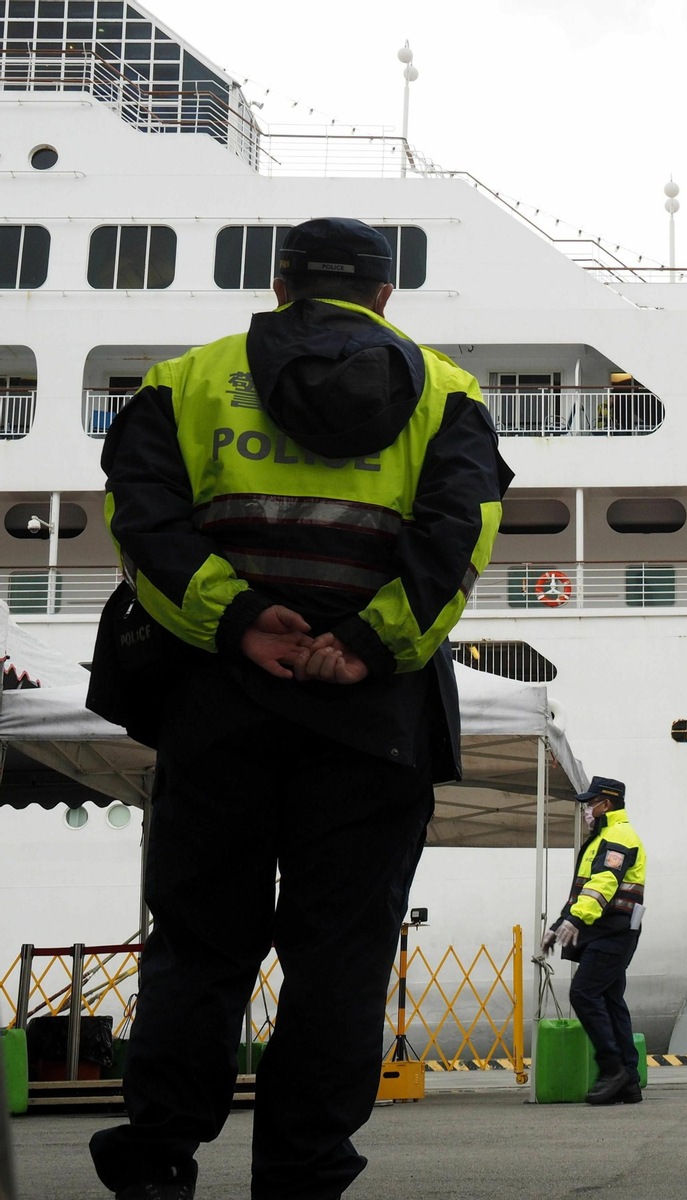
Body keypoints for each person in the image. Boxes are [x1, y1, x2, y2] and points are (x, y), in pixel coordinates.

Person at [86, 218, 509, 1200]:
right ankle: (303, 1177)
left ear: (280, 286)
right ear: (384, 296)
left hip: (219, 703)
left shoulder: (184, 382)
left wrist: (238, 621)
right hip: (374, 721)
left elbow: (141, 526)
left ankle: (158, 1161)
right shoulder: (448, 397)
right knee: (340, 962)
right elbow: (461, 539)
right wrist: (365, 643)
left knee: (200, 946)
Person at [542, 776, 648, 1106]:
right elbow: (581, 889)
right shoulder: (602, 837)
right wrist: (560, 923)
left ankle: (612, 1069)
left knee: (584, 992)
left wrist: (575, 919)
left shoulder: (618, 836)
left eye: (591, 804)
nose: (587, 810)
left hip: (613, 930)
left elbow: (604, 883)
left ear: (607, 803)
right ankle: (628, 1081)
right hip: (606, 930)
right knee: (611, 999)